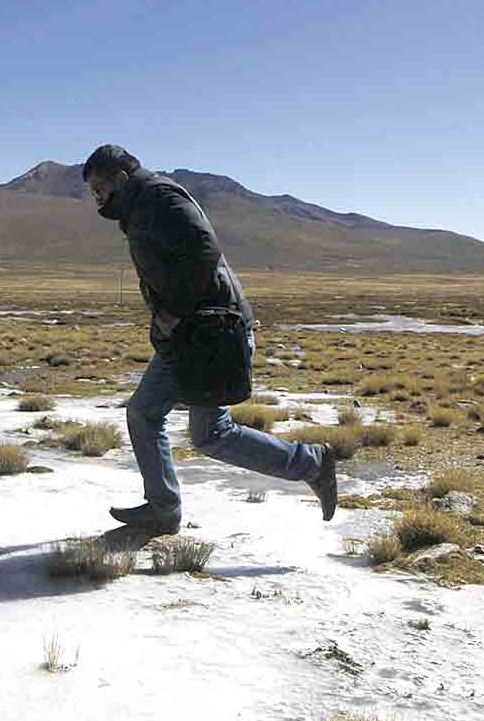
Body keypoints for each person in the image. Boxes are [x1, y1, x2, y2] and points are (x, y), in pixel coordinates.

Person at [83, 144, 338, 535]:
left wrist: (176, 311)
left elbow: (204, 252)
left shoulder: (159, 198)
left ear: (119, 178)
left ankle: (310, 464)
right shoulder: (141, 206)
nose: (97, 197)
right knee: (166, 420)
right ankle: (164, 508)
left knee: (191, 428)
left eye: (99, 187)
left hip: (211, 331)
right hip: (195, 333)